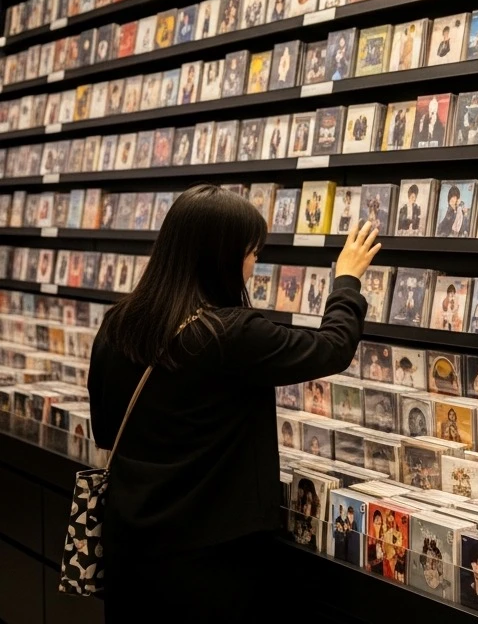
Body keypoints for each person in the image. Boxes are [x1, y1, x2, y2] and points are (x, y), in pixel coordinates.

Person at [89, 186, 381, 620]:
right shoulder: (228, 333)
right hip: (210, 557)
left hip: (130, 544)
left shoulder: (118, 324)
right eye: (251, 253)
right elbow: (331, 348)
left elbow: (107, 427)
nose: (252, 266)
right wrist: (347, 280)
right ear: (221, 256)